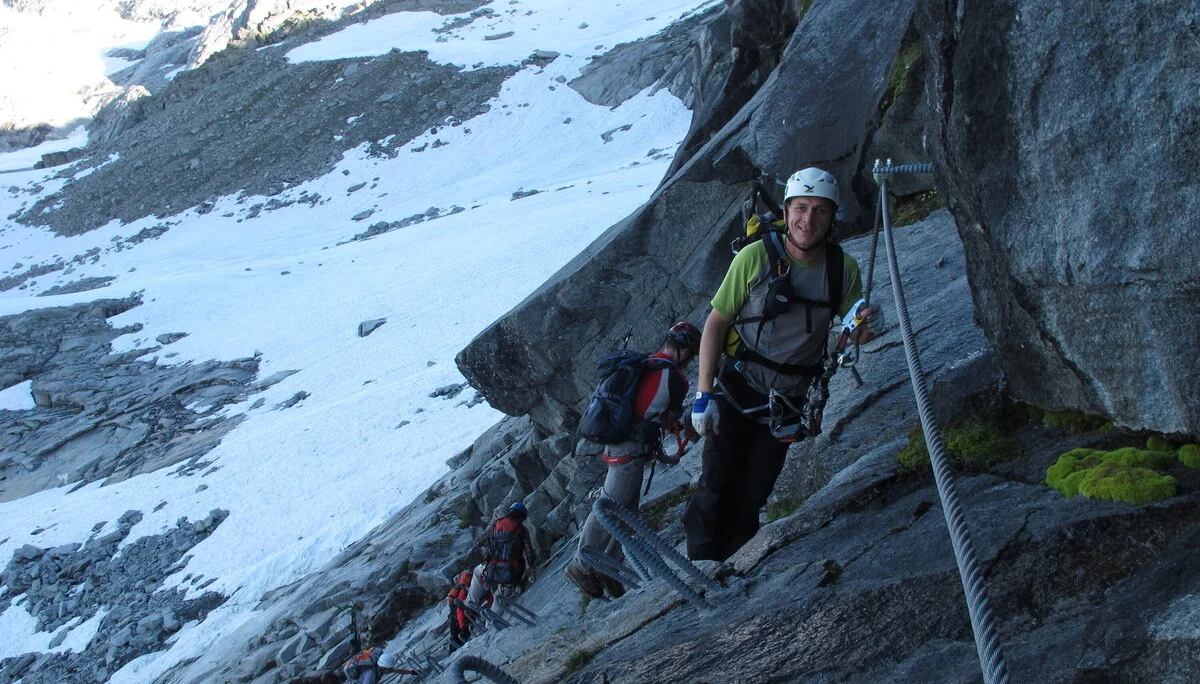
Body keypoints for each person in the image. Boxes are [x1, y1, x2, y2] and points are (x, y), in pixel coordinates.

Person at [683, 167, 883, 562]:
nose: (809, 220)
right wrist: (703, 394)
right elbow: (717, 322)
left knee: (755, 492)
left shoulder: (843, 270)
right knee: (716, 482)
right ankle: (702, 567)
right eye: (802, 208)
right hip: (737, 389)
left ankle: (736, 565)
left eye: (820, 211)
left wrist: (868, 326)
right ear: (788, 211)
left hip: (788, 402)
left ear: (831, 217)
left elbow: (854, 331)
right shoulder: (756, 257)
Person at [565, 322, 702, 599]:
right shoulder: (675, 378)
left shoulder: (648, 363)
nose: (691, 361)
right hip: (630, 450)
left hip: (620, 443)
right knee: (608, 505)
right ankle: (581, 565)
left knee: (626, 512)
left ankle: (609, 567)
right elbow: (667, 421)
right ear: (686, 352)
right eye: (693, 355)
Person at [476, 502, 536, 595]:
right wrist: (532, 570)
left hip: (493, 571)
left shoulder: (495, 525)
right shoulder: (522, 530)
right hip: (512, 573)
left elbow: (478, 542)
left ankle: (474, 602)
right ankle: (517, 586)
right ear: (521, 517)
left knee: (478, 572)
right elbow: (529, 554)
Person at [447, 568, 493, 649]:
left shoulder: (477, 588)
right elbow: (459, 612)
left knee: (464, 634)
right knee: (456, 638)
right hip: (457, 620)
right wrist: (462, 626)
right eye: (468, 585)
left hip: (468, 614)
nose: (469, 586)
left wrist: (493, 606)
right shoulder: (463, 593)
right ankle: (453, 653)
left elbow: (489, 596)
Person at [341, 646, 417, 682]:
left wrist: (412, 672)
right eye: (389, 668)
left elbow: (396, 670)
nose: (390, 669)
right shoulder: (371, 674)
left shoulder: (382, 667)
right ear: (383, 668)